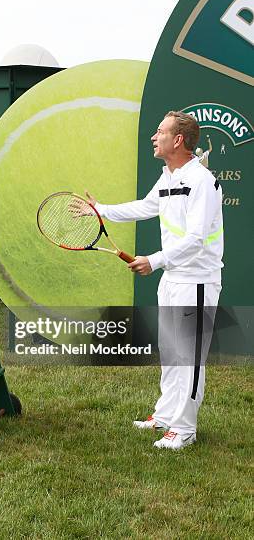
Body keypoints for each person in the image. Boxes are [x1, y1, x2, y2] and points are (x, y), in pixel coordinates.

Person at [75, 111, 223, 450]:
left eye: (160, 132)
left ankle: (185, 428)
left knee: (190, 356)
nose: (154, 137)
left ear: (178, 140)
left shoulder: (201, 181)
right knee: (170, 350)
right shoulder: (168, 176)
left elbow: (197, 238)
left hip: (197, 281)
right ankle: (167, 415)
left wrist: (153, 261)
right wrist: (102, 210)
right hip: (171, 279)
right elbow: (145, 206)